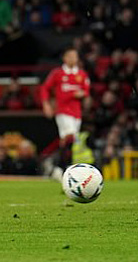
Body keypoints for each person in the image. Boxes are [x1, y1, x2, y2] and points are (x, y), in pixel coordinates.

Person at [40, 47, 91, 181]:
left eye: (75, 56)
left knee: (69, 141)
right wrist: (46, 104)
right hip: (63, 111)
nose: (73, 59)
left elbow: (86, 90)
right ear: (65, 58)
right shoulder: (57, 73)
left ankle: (58, 168)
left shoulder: (81, 74)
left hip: (76, 113)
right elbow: (45, 88)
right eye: (70, 56)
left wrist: (82, 94)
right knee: (69, 137)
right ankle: (64, 168)